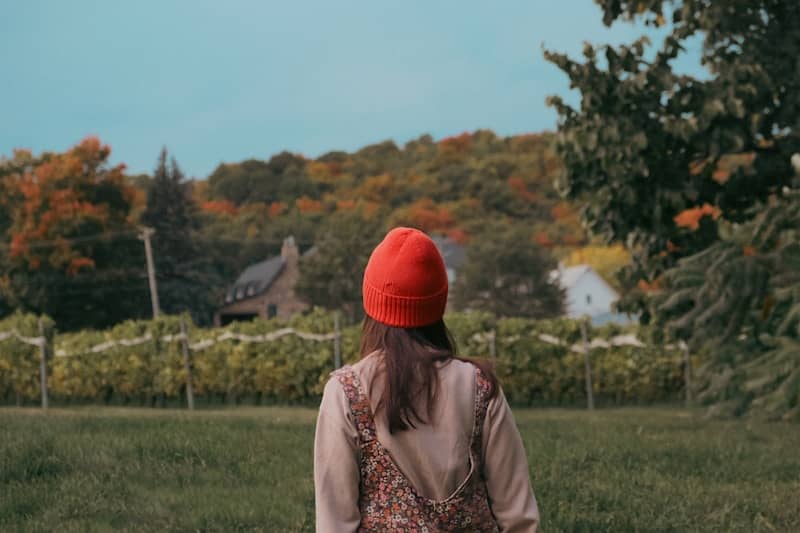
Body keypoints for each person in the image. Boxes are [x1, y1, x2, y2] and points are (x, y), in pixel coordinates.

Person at [314, 227, 539, 532]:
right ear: (438, 303)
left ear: (373, 303)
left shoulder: (346, 392)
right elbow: (518, 517)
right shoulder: (481, 388)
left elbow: (335, 523)